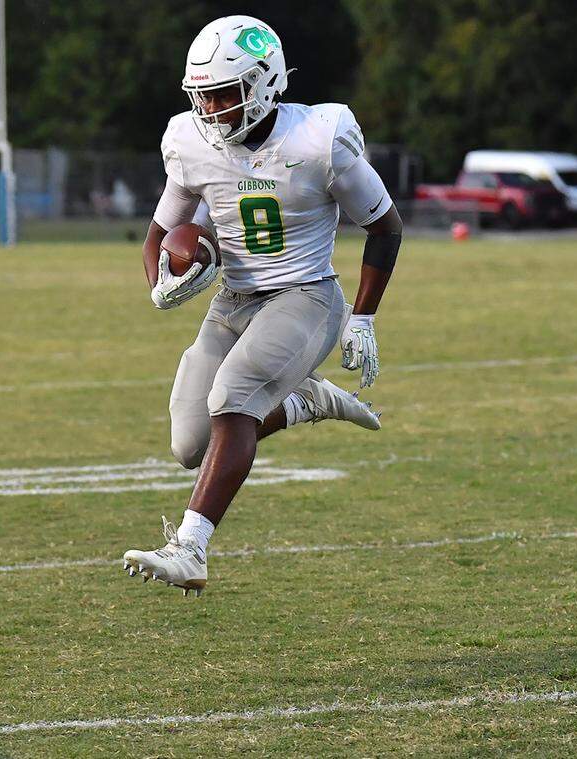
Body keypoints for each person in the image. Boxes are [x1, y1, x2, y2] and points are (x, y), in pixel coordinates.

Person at [123, 16, 402, 596]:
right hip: (234, 300)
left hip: (305, 296)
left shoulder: (319, 138)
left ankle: (191, 548)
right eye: (202, 97)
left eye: (224, 94)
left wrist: (364, 317)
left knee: (233, 397)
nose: (212, 111)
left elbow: (385, 227)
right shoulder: (189, 140)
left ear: (265, 82)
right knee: (189, 445)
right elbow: (161, 233)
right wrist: (159, 284)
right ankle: (303, 399)